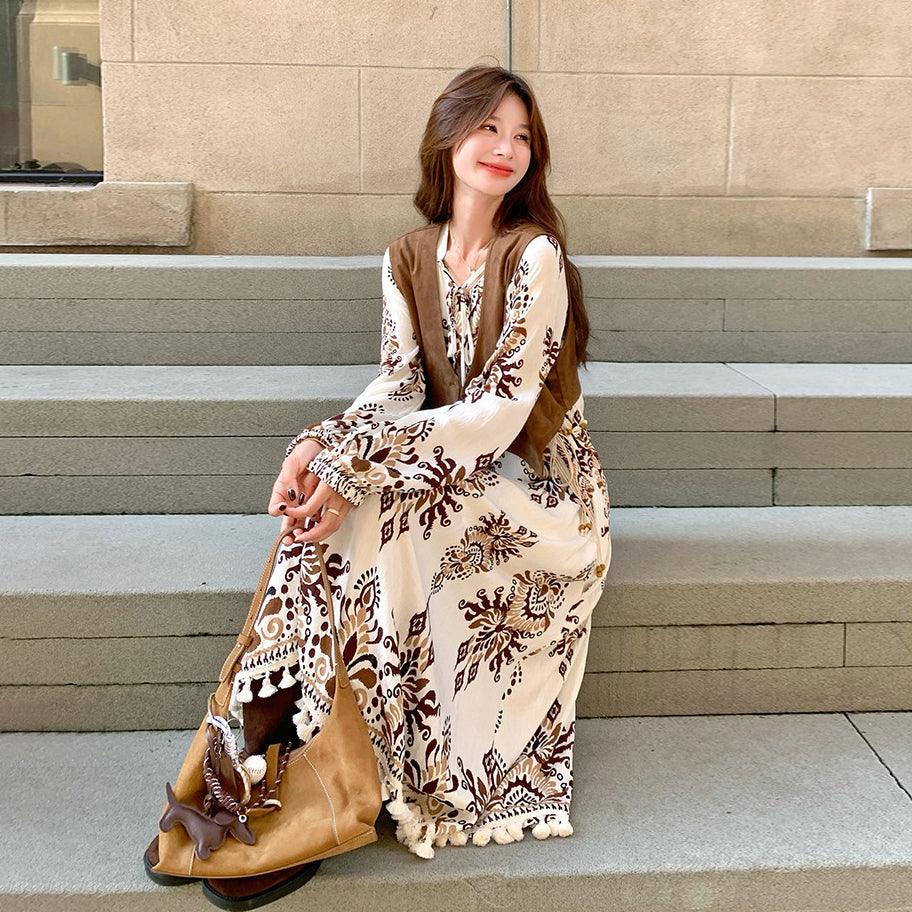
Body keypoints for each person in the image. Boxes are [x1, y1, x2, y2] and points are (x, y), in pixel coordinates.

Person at [157, 63, 612, 909]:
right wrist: (322, 445)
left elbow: (499, 412)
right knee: (336, 514)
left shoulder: (535, 255)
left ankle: (337, 764)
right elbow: (400, 384)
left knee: (384, 508)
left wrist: (352, 464)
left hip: (536, 487)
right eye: (489, 127)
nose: (506, 147)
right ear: (448, 137)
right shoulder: (408, 256)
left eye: (522, 135)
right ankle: (268, 753)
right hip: (442, 463)